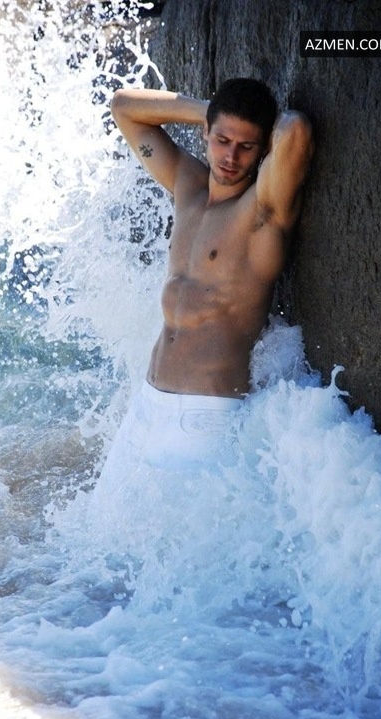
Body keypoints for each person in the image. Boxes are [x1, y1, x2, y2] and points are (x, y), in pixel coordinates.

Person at [104, 78, 314, 475]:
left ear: (263, 149)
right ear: (206, 133)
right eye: (222, 140)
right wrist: (211, 111)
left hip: (204, 418)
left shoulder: (261, 211)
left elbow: (296, 130)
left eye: (246, 146)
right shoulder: (188, 187)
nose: (231, 156)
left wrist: (238, 123)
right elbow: (123, 107)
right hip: (146, 407)